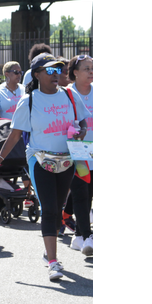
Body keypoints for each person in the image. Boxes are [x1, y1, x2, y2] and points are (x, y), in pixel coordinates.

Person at [0, 53, 89, 282]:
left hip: (67, 159)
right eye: (49, 70)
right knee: (49, 208)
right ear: (36, 75)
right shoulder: (29, 100)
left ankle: (49, 251)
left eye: (58, 70)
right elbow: (15, 135)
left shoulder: (69, 95)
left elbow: (82, 119)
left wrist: (81, 130)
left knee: (59, 205)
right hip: (39, 159)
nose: (56, 75)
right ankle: (54, 262)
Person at [66, 54, 93, 256]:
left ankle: (77, 237)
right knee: (81, 194)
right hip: (77, 154)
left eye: (92, 68)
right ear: (75, 72)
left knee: (90, 194)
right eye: (86, 68)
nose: (91, 72)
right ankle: (86, 236)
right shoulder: (66, 94)